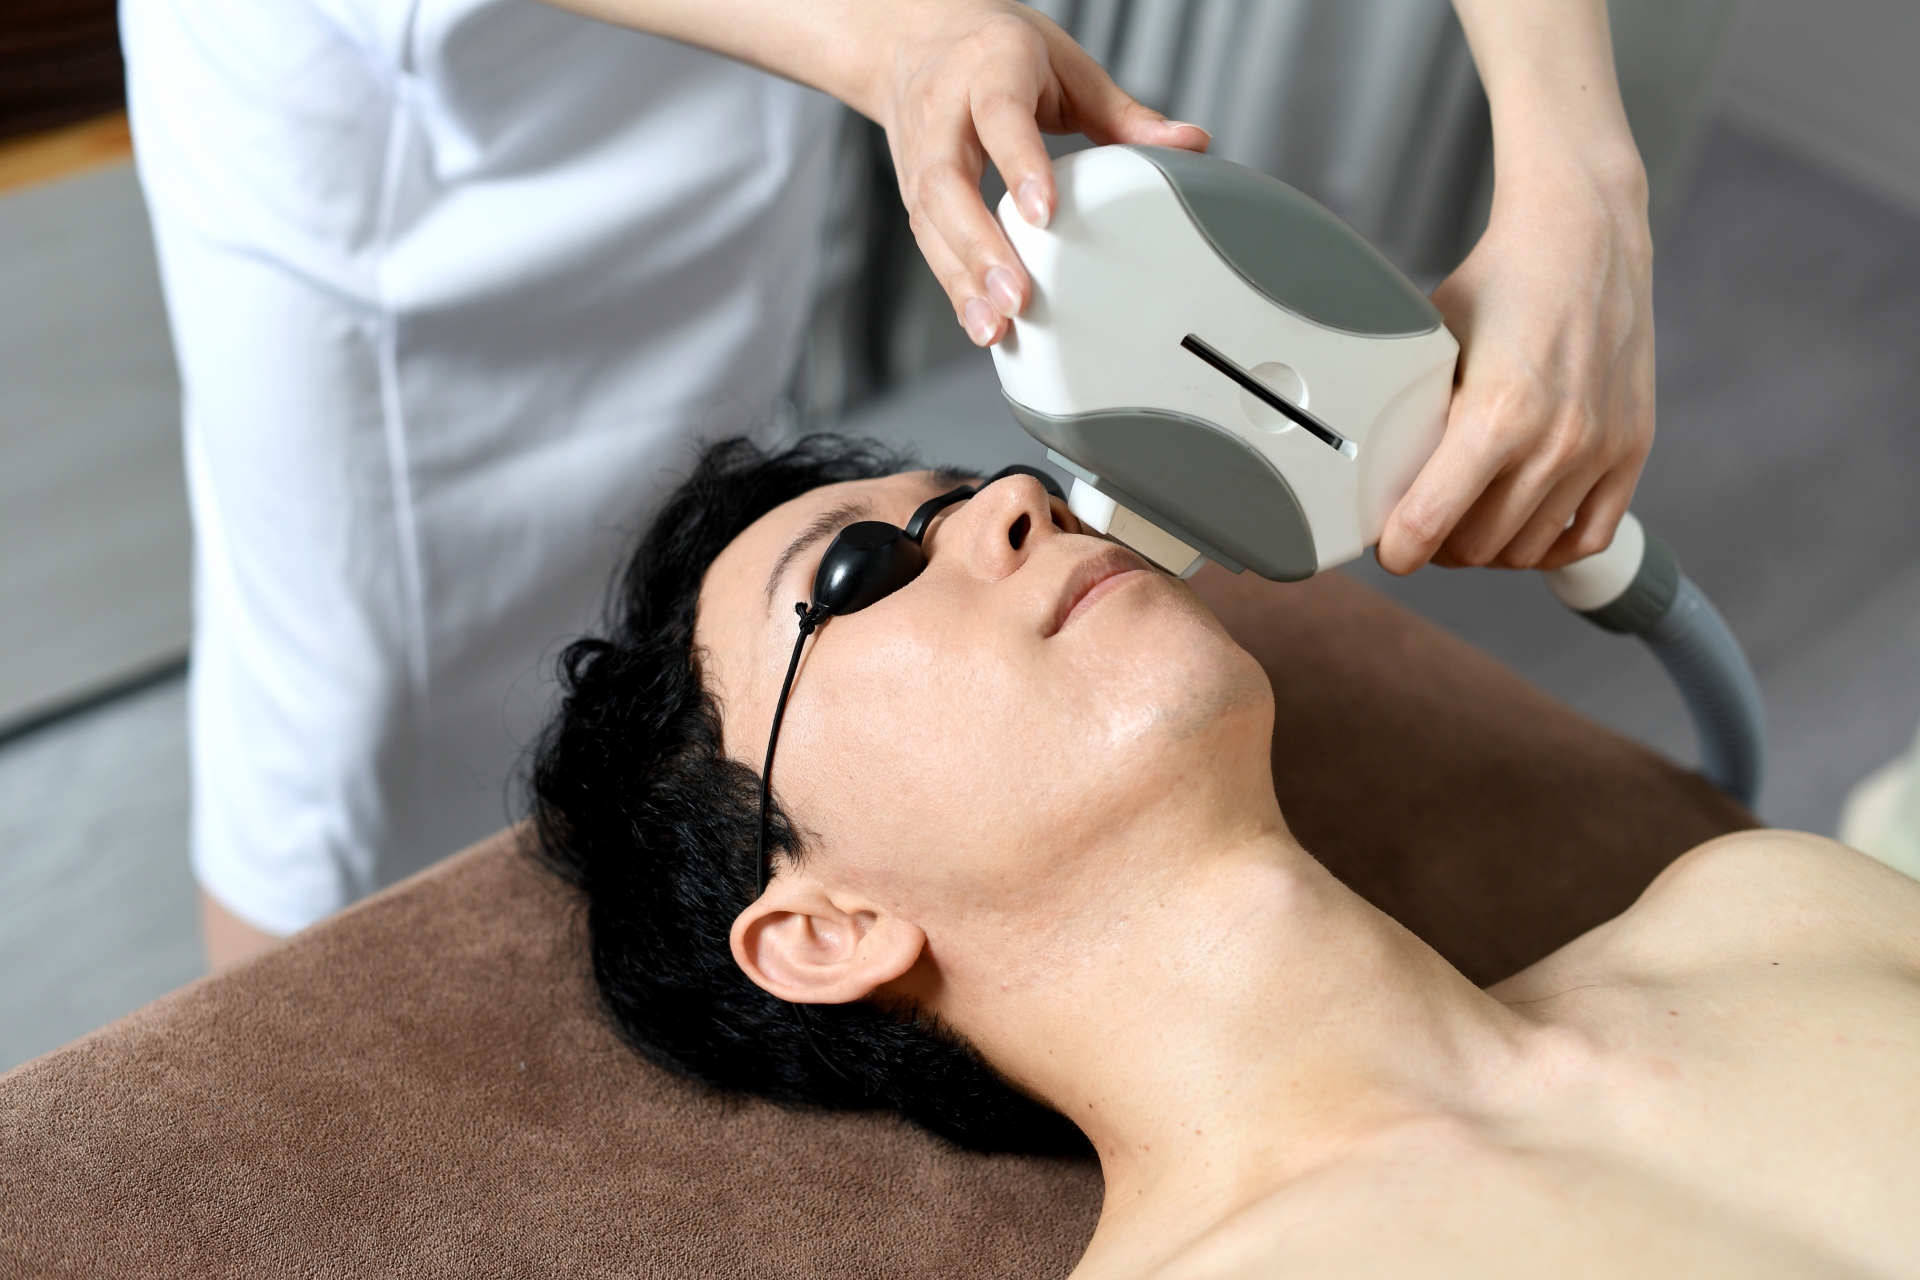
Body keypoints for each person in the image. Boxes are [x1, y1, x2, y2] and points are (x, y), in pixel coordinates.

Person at [125, 0, 1655, 966]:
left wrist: (1579, 176)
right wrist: (880, 37)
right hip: (403, 109)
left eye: (905, 528)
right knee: (348, 713)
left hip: (726, 80)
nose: (1011, 502)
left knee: (690, 518)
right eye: (872, 566)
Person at [533, 436, 1920, 1277]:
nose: (1017, 496)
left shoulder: (1775, 907)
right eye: (858, 573)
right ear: (826, 929)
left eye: (977, 486)